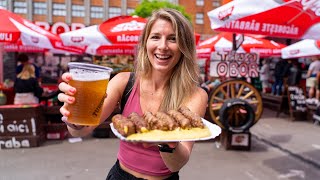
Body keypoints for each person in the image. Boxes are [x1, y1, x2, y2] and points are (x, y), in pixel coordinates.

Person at [58, 8, 208, 180]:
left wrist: (165, 140)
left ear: (184, 47)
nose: (163, 46)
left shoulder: (195, 95)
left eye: (173, 39)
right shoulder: (124, 82)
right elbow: (81, 131)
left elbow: (176, 164)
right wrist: (75, 116)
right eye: (155, 37)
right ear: (145, 43)